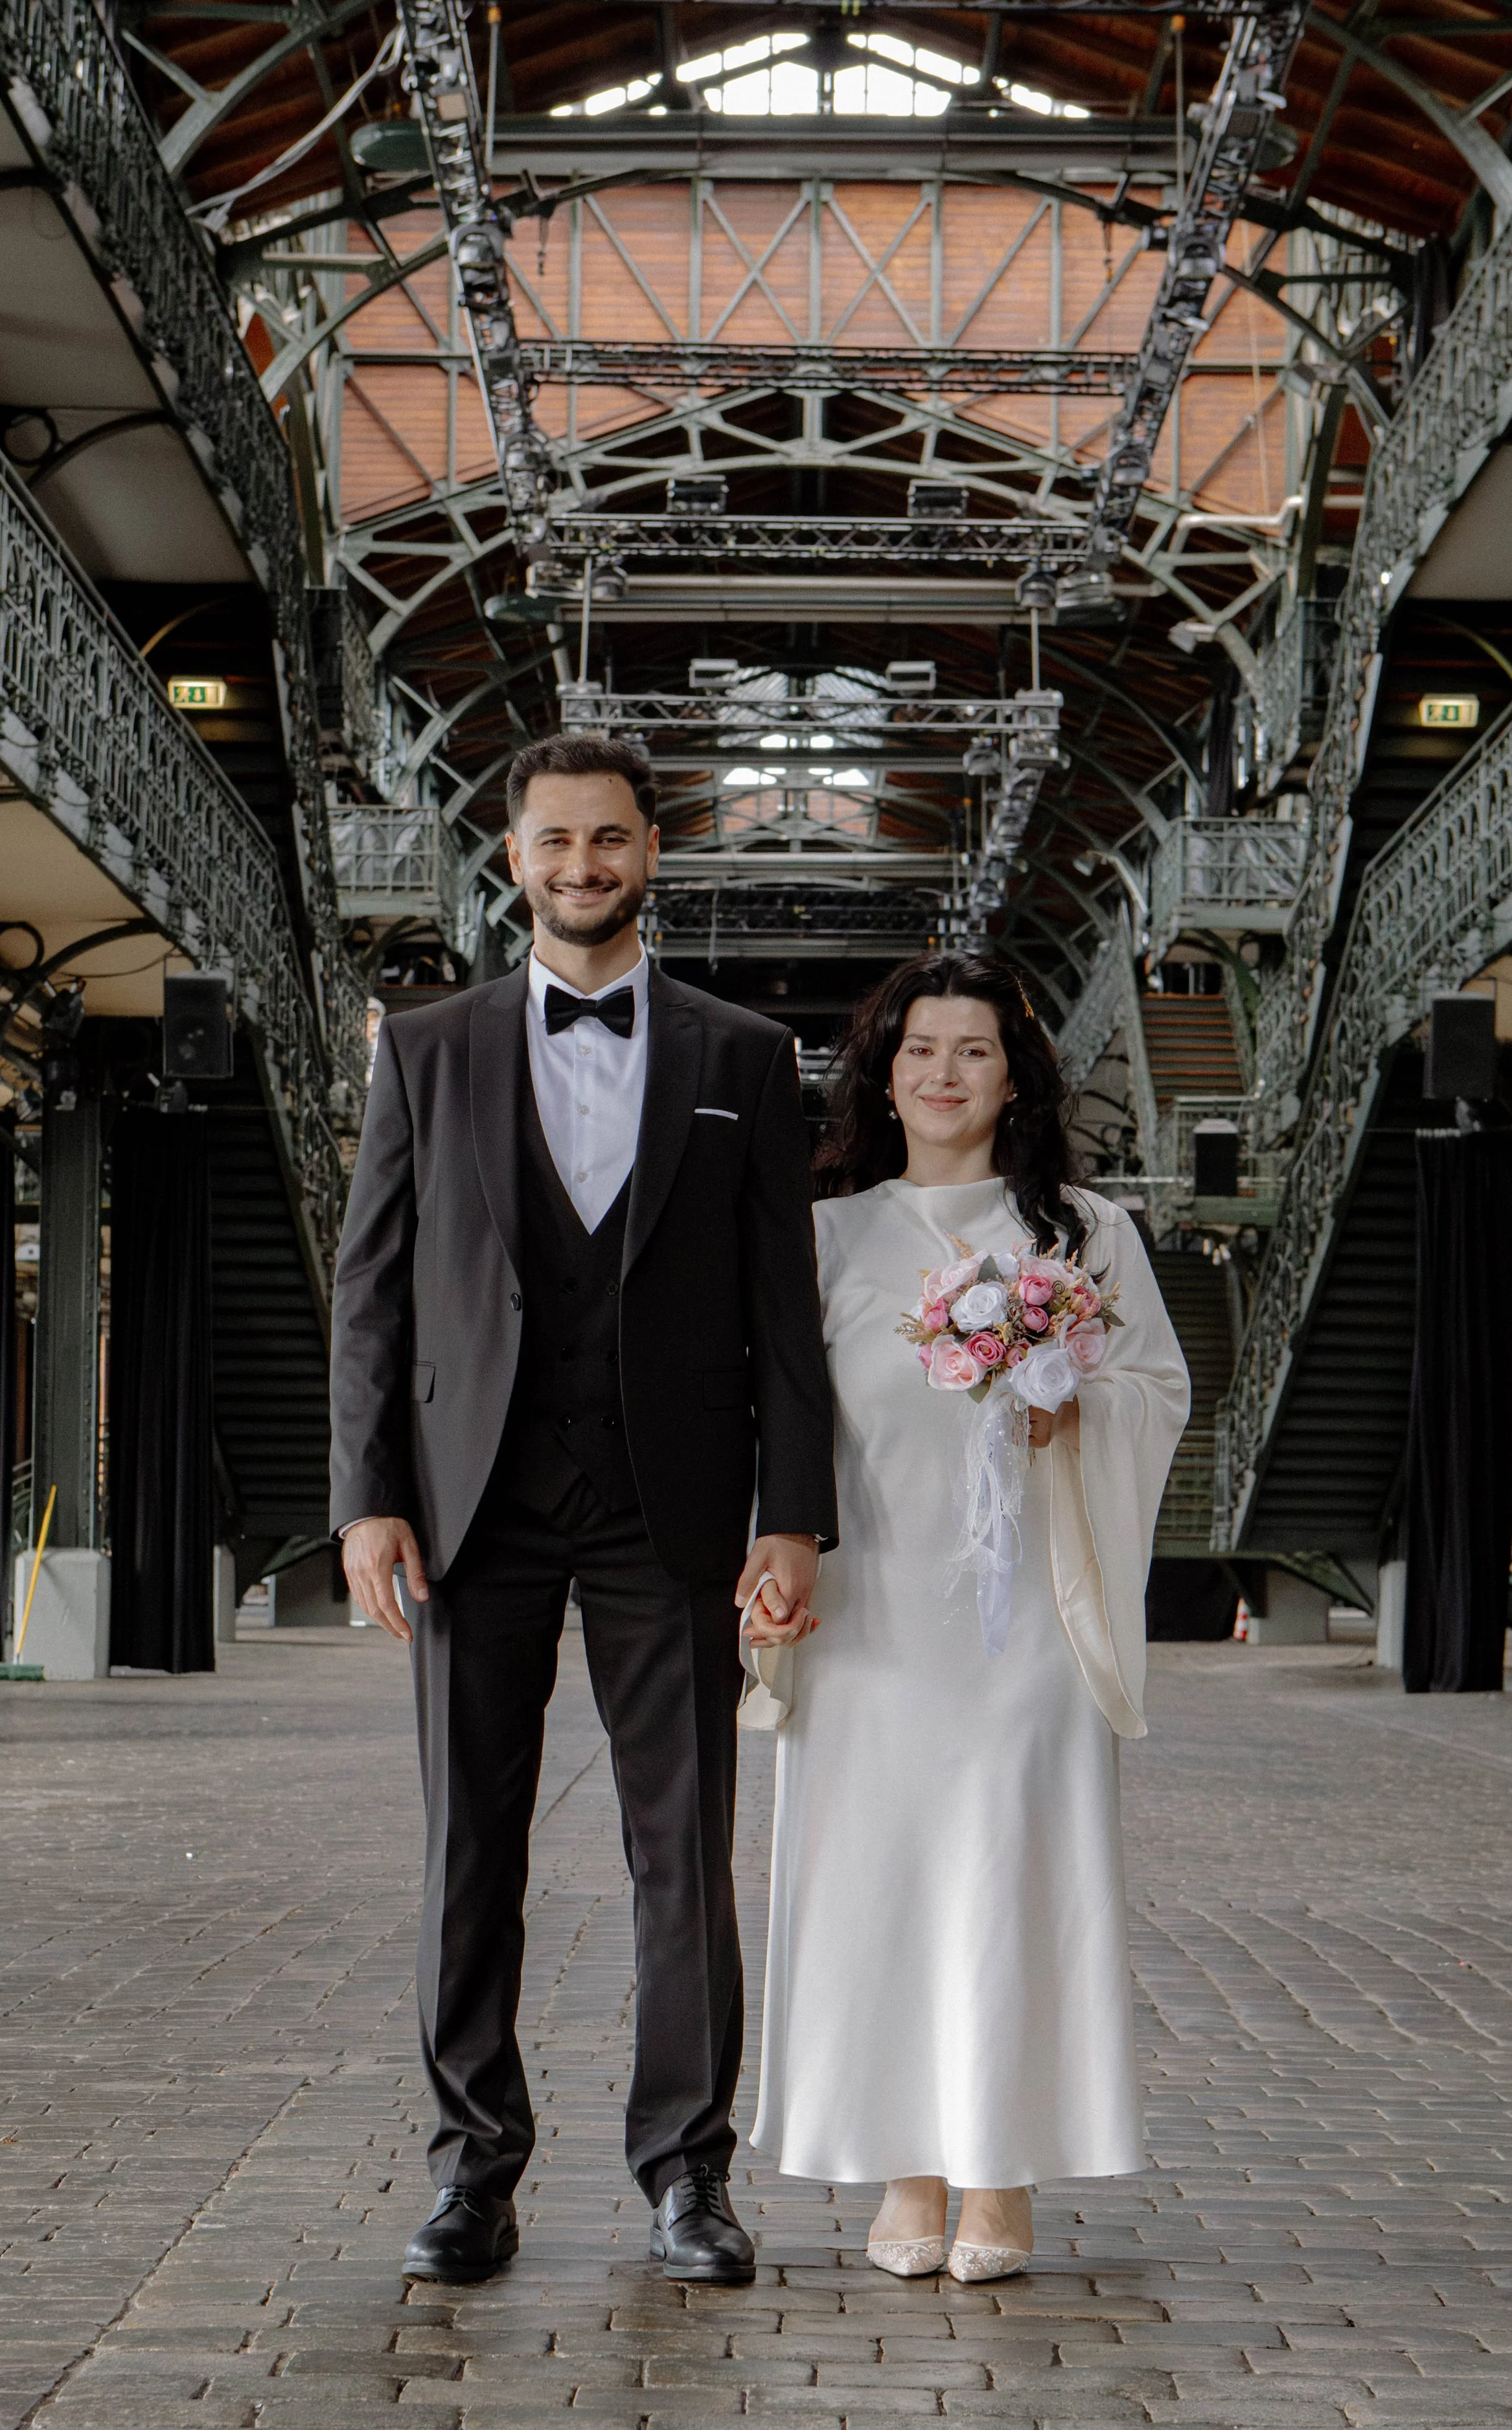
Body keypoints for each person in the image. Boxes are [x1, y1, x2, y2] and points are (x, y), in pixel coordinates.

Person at [329, 730, 836, 2288]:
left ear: (650, 853)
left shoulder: (744, 1057)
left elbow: (783, 1306)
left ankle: (687, 2176)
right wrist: (365, 1499)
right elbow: (371, 1289)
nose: (581, 866)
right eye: (553, 841)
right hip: (465, 1503)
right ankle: (469, 2175)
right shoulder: (425, 1047)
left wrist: (791, 1510)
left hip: (669, 1506)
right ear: (514, 856)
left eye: (608, 839)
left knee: (682, 1853)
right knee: (467, 1849)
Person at [747, 952, 1188, 2282]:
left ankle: (998, 2178)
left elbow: (1157, 1389)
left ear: (1016, 1078)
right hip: (871, 1616)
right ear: (884, 1077)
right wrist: (771, 1561)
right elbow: (780, 1421)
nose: (945, 1072)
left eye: (974, 1050)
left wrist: (1069, 1404)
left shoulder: (1087, 1234)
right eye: (921, 1049)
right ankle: (907, 2167)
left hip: (1027, 1622)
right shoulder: (823, 1234)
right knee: (879, 1882)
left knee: (1011, 1880)